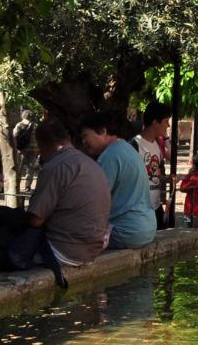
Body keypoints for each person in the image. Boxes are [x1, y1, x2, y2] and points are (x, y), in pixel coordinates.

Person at [24, 118, 111, 267]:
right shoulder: (91, 163)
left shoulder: (55, 165)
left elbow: (35, 220)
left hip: (66, 250)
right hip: (95, 248)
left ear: (42, 145)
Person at [78, 111, 157, 250]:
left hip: (127, 232)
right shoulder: (127, 148)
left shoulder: (110, 155)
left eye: (86, 136)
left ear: (103, 131)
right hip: (147, 228)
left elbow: (94, 200)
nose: (84, 142)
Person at [134, 102, 171, 228]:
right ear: (155, 122)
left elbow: (153, 174)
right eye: (166, 121)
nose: (168, 125)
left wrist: (167, 179)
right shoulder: (134, 145)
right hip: (139, 210)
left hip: (156, 208)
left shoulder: (157, 144)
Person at [11, 108, 40, 194]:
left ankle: (17, 185)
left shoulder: (19, 125)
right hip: (33, 150)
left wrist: (17, 149)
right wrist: (38, 149)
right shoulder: (35, 126)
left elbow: (14, 137)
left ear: (23, 116)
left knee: (18, 168)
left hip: (21, 151)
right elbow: (38, 139)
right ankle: (27, 186)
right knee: (30, 169)